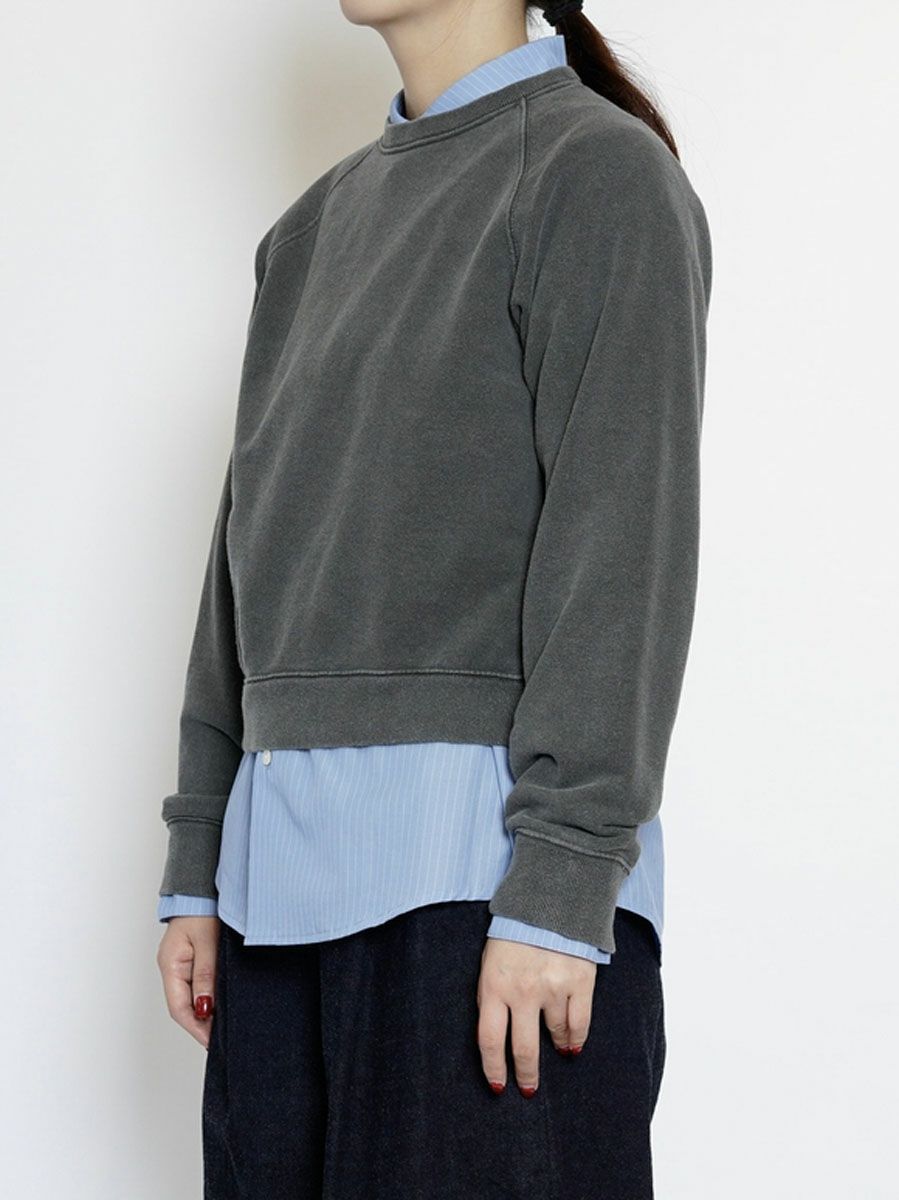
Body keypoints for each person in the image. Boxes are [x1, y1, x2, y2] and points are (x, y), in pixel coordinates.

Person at [155, 1, 713, 1196]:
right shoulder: (306, 235)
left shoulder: (594, 175)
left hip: (484, 904)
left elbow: (622, 546)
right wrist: (199, 859)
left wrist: (560, 880)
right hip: (272, 921)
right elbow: (243, 560)